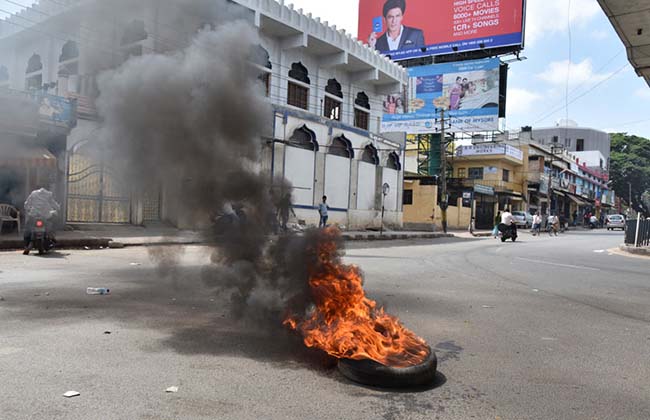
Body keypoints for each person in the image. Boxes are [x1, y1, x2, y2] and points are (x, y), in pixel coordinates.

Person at [23, 187, 60, 255]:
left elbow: (26, 204)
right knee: (51, 224)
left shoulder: (33, 193)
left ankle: (26, 245)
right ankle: (52, 237)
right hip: (45, 216)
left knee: (27, 229)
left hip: (33, 215)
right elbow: (54, 204)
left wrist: (28, 209)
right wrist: (57, 208)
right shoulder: (49, 194)